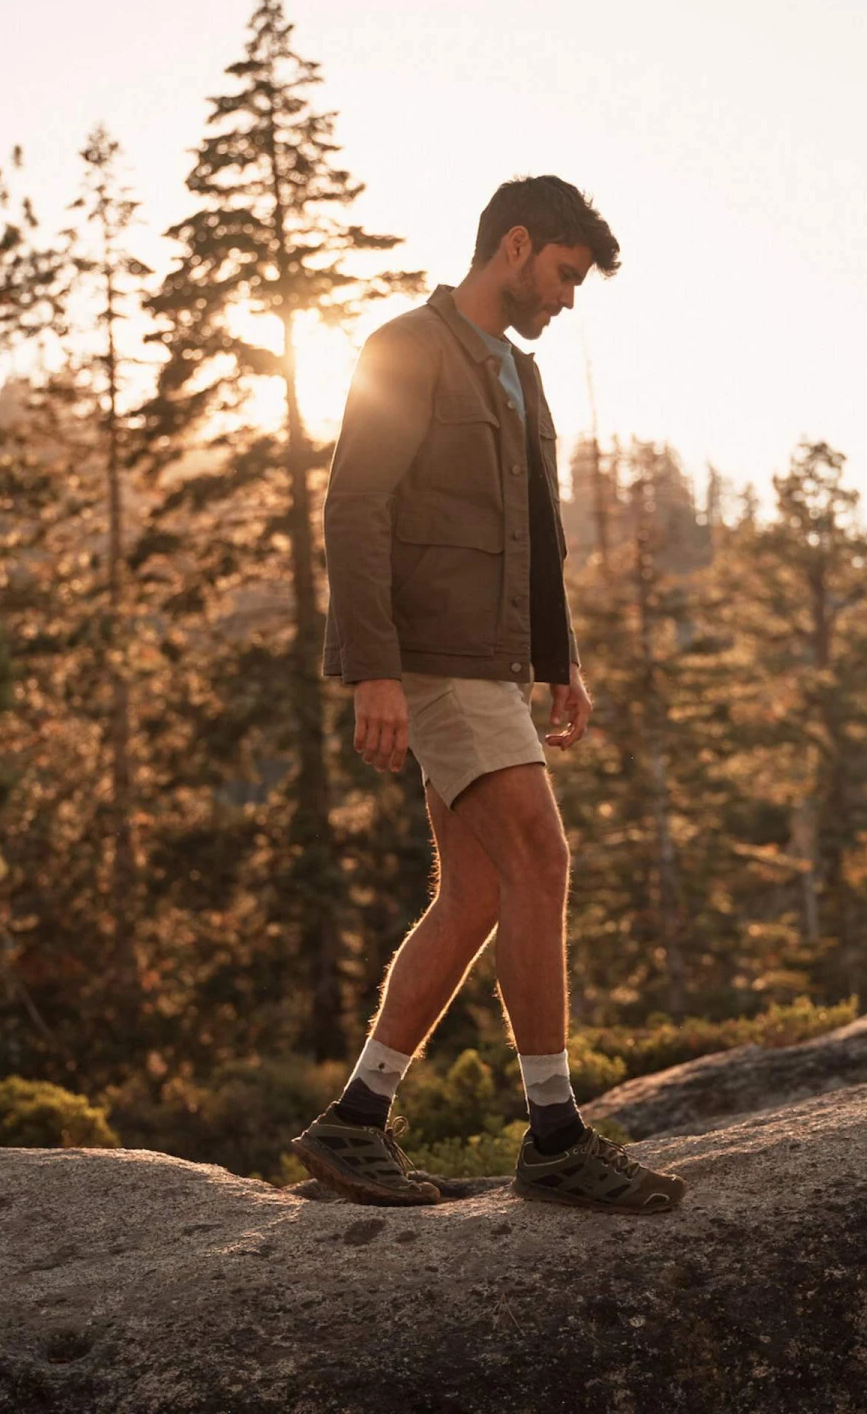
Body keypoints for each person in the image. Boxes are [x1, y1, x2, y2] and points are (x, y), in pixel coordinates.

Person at [289, 176, 687, 1214]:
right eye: (562, 274)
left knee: (473, 892)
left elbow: (536, 536)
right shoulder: (405, 348)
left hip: (495, 662)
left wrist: (561, 660)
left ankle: (356, 1120)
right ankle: (555, 1136)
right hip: (438, 658)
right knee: (541, 860)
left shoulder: (519, 374)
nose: (566, 297)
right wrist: (375, 669)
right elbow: (355, 508)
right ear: (514, 246)